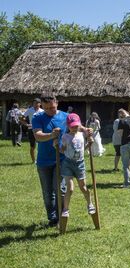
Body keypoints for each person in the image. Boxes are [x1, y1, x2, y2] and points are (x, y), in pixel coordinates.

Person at [32, 94, 92, 227]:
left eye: (52, 108)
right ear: (42, 106)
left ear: (57, 103)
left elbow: (78, 127)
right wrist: (51, 135)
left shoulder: (65, 116)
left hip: (63, 160)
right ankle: (52, 218)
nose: (49, 111)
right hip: (43, 161)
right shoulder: (37, 117)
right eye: (46, 108)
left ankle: (60, 218)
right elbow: (37, 136)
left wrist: (86, 130)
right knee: (47, 192)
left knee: (59, 189)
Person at [57, 113, 96, 218]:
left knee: (83, 187)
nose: (74, 128)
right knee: (70, 188)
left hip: (80, 164)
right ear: (68, 125)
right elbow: (62, 150)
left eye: (76, 126)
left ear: (79, 125)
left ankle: (90, 204)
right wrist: (56, 145)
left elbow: (82, 150)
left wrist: (90, 143)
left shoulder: (82, 135)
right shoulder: (65, 137)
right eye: (72, 126)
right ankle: (65, 209)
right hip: (68, 163)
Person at [21, 98, 44, 163]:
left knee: (41, 145)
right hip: (31, 129)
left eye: (37, 103)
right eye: (34, 103)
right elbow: (21, 118)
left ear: (40, 104)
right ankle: (33, 161)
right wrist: (26, 124)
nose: (35, 104)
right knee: (32, 146)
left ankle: (41, 159)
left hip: (40, 130)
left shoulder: (42, 111)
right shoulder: (29, 110)